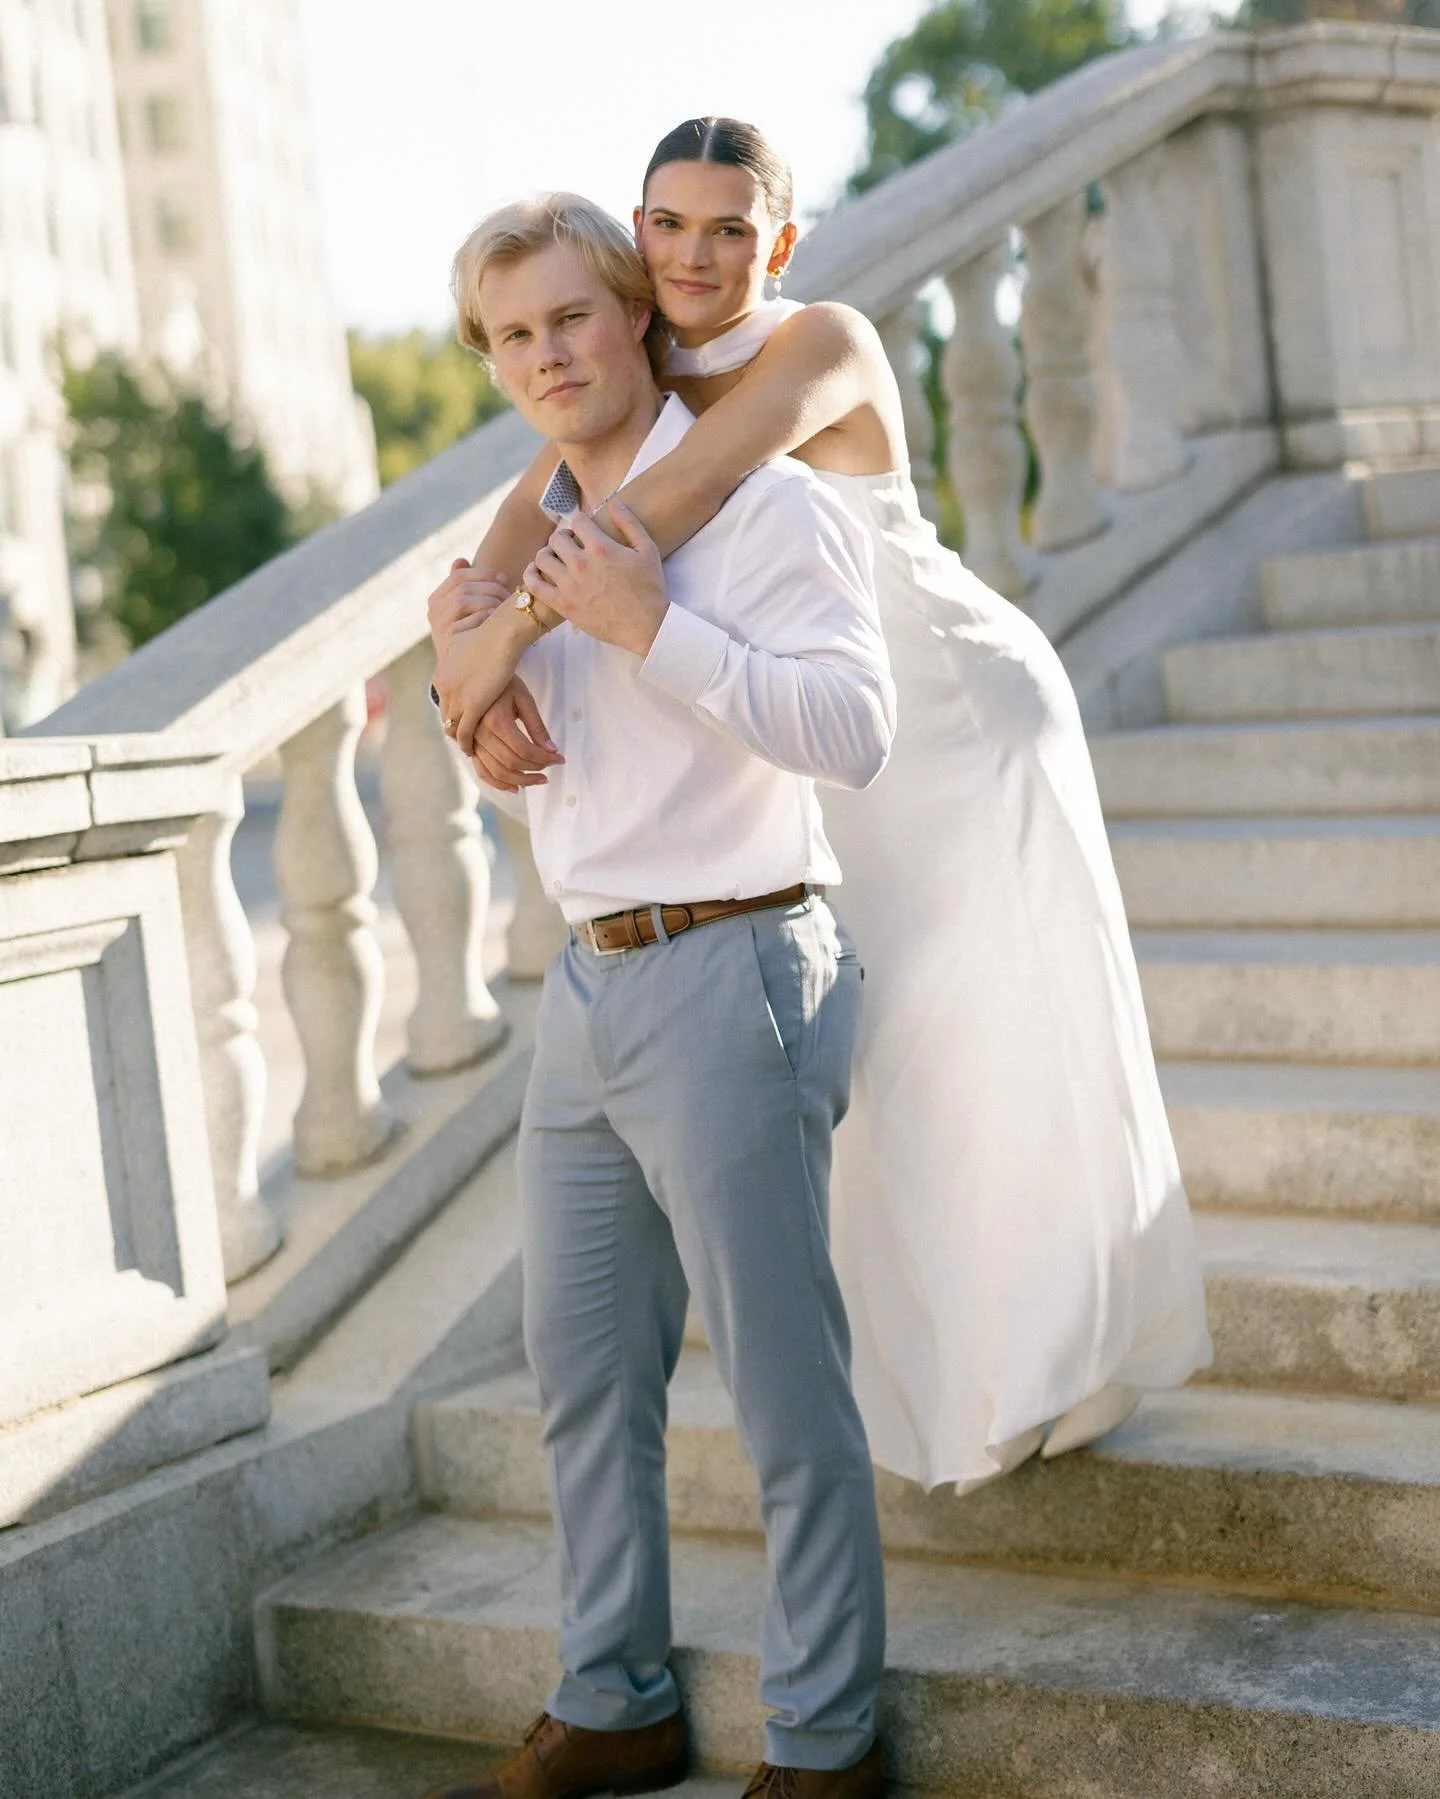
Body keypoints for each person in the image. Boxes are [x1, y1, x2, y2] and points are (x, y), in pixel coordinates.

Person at [431, 118, 1212, 1497]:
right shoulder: (624, 358)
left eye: (730, 227)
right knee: (889, 1068)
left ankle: (1053, 1365)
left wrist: (485, 656)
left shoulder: (820, 343)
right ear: (636, 227)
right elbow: (500, 553)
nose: (693, 254)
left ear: (778, 242)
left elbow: (648, 517)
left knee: (991, 1041)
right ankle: (955, 1384)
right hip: (815, 748)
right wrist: (463, 656)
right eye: (667, 224)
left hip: (958, 723)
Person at [423, 192, 895, 1799]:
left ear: (634, 315)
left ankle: (827, 1742)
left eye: (571, 315)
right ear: (493, 364)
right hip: (589, 987)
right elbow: (549, 772)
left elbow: (855, 731)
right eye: (513, 334)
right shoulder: (511, 554)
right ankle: (613, 1695)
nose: (548, 353)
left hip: (740, 960)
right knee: (582, 1376)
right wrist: (478, 717)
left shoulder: (769, 507)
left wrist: (660, 630)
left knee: (782, 1389)